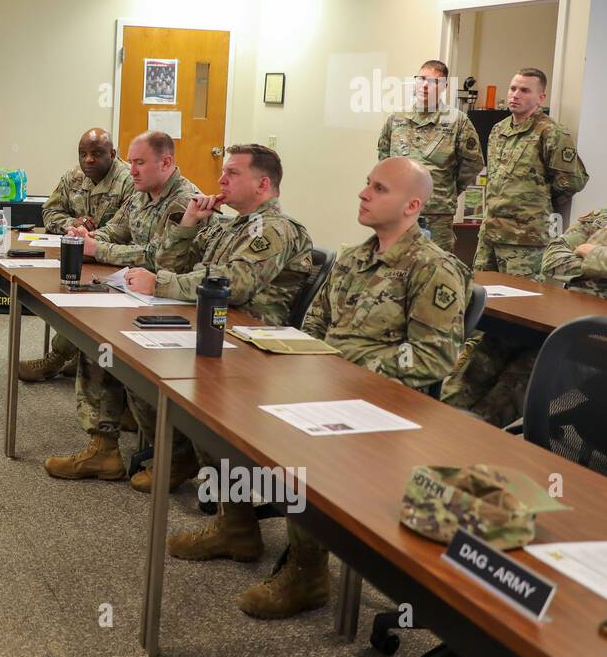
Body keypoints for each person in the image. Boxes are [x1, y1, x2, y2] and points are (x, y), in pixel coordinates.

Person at [195, 157, 467, 619]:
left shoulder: (433, 269)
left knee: (301, 451)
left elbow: (433, 357)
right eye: (367, 183)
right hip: (327, 379)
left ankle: (308, 572)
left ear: (412, 205)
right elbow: (316, 322)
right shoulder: (355, 257)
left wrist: (347, 367)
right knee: (218, 400)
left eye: (379, 189)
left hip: (387, 402)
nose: (363, 193)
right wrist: (309, 363)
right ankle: (235, 522)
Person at [131, 143, 310, 513]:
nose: (220, 179)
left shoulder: (274, 229)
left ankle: (233, 516)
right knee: (135, 357)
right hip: (215, 324)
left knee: (160, 366)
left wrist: (161, 284)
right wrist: (190, 223)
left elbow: (235, 284)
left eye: (232, 173)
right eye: (223, 172)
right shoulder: (231, 226)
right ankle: (180, 456)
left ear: (263, 185)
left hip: (250, 340)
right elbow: (170, 262)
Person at [42, 132, 201, 481]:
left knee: (121, 353)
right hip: (143, 293)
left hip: (177, 301)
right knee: (96, 342)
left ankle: (175, 454)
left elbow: (157, 257)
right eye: (132, 162)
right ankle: (104, 447)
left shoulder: (183, 200)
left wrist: (97, 251)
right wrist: (90, 239)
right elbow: (117, 230)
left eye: (140, 162)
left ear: (166, 163)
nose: (132, 171)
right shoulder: (143, 194)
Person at [443, 206, 607, 427]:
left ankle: (470, 432)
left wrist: (589, 252)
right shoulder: (600, 217)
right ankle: (442, 416)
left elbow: (569, 259)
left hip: (591, 338)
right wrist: (597, 265)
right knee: (495, 342)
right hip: (558, 317)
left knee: (526, 369)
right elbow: (552, 258)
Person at [20, 128, 134, 381]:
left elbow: (123, 229)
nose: (88, 160)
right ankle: (78, 356)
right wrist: (72, 224)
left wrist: (89, 238)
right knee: (69, 292)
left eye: (96, 153)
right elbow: (50, 213)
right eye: (83, 154)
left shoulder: (128, 180)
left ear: (112, 154)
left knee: (84, 300)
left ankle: (58, 358)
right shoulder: (73, 176)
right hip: (82, 255)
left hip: (113, 260)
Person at [474, 68, 588, 275]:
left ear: (540, 97)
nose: (515, 95)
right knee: (482, 295)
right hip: (490, 232)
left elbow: (573, 181)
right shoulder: (499, 129)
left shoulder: (551, 132)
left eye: (525, 90)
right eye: (513, 88)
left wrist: (539, 198)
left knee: (520, 302)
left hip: (526, 238)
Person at [376, 60, 482, 253]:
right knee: (392, 266)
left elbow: (473, 164)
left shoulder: (457, 121)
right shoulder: (397, 118)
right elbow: (385, 159)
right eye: (422, 79)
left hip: (436, 214)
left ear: (444, 87)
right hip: (397, 210)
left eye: (434, 82)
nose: (425, 86)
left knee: (434, 270)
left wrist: (445, 188)